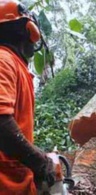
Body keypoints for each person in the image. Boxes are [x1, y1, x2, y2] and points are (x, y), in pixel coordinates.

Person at [0, 0, 56, 194]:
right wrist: (39, 161)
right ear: (25, 31)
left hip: (14, 181)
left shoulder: (15, 65)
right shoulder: (3, 60)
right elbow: (1, 123)